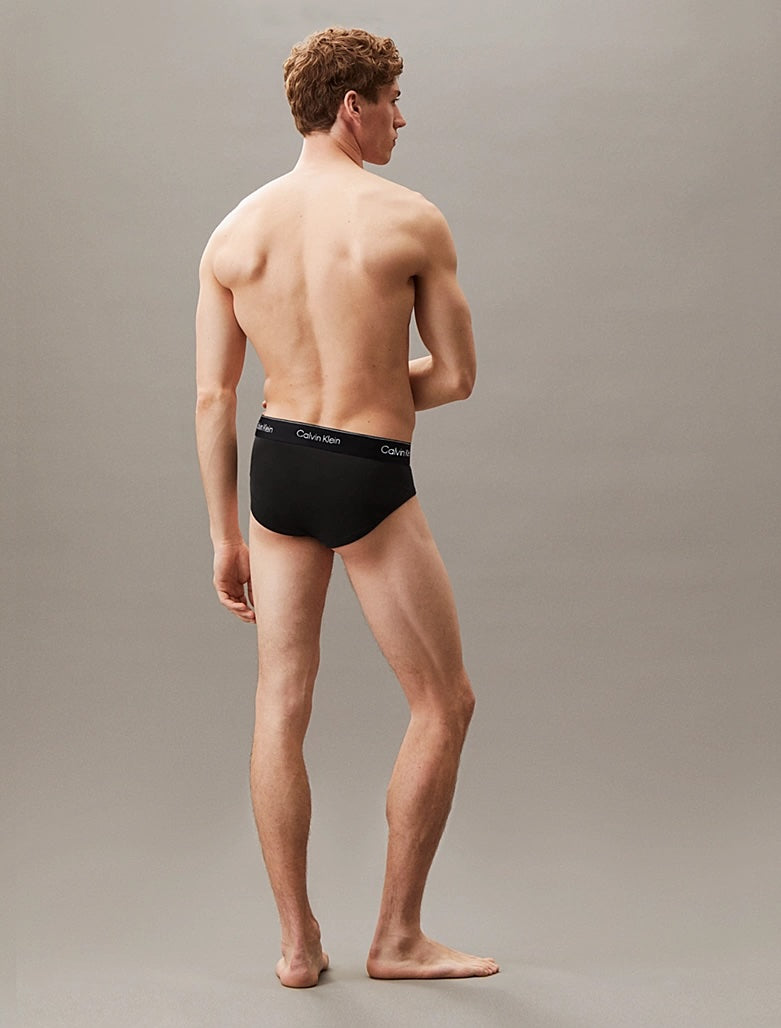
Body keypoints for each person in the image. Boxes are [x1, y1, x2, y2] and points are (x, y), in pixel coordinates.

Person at [195, 26, 498, 988]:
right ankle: (397, 937)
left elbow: (213, 397)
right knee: (443, 702)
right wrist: (365, 389)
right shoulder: (409, 219)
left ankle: (296, 946)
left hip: (277, 468)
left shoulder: (234, 233)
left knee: (279, 705)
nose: (403, 118)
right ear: (349, 107)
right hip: (365, 470)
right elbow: (456, 378)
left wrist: (223, 534)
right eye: (392, 100)